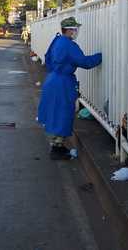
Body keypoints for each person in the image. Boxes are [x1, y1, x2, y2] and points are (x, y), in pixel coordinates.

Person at [38, 17, 102, 160]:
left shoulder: (57, 41)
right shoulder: (69, 45)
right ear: (70, 30)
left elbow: (47, 58)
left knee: (54, 113)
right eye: (75, 29)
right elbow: (84, 62)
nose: (76, 32)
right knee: (62, 113)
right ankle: (57, 148)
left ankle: (56, 145)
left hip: (52, 80)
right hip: (62, 83)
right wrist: (101, 56)